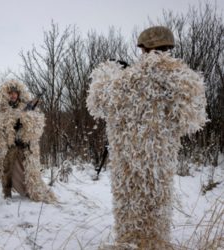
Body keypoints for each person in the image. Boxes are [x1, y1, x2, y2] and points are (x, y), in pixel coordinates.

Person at [87, 26, 207, 249]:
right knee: (157, 207)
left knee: (129, 207)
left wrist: (109, 70)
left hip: (126, 163)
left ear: (142, 48)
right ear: (170, 47)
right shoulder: (182, 79)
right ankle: (156, 243)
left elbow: (97, 101)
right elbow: (193, 121)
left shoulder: (125, 80)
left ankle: (130, 242)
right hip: (160, 163)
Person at [0, 79, 56, 203]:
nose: (13, 95)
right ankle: (7, 194)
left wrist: (25, 120)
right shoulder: (3, 109)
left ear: (18, 94)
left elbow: (36, 124)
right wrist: (12, 126)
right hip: (10, 145)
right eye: (10, 93)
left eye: (15, 93)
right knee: (7, 169)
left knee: (28, 169)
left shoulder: (25, 107)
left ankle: (30, 190)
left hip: (24, 145)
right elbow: (0, 126)